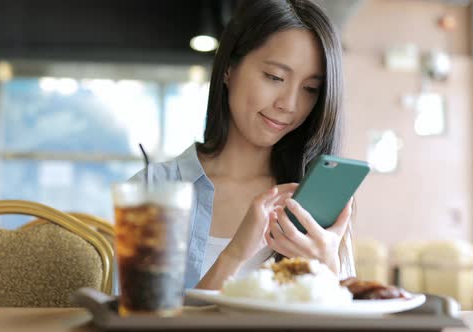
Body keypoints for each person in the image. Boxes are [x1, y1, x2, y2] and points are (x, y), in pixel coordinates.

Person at [131, 0, 354, 290]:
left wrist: (329, 271)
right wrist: (235, 254)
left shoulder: (317, 202)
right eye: (274, 77)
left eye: (310, 89)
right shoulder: (154, 188)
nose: (289, 105)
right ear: (229, 70)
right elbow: (136, 321)